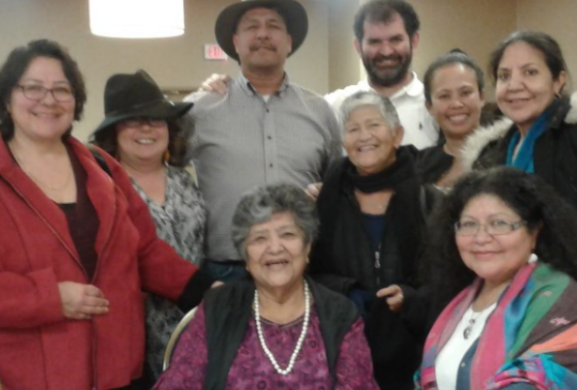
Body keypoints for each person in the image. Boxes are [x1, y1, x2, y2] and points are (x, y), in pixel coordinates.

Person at [0, 39, 217, 390]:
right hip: (33, 376)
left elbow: (145, 251)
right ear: (8, 99)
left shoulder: (102, 168)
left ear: (75, 100)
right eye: (32, 88)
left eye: (61, 89)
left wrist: (208, 290)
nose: (48, 99)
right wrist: (49, 298)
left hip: (119, 371)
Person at [153, 183, 379, 390]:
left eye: (287, 235)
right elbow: (179, 383)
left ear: (308, 247)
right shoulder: (218, 307)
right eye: (259, 238)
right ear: (246, 257)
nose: (274, 248)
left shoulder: (340, 314)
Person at [185, 0, 341, 282]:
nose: (263, 34)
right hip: (225, 270)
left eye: (273, 26)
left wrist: (324, 190)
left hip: (304, 267)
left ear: (289, 42)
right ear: (235, 42)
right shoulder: (199, 110)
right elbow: (165, 173)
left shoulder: (319, 110)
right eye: (251, 27)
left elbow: (338, 182)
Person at [309, 90, 438, 390]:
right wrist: (347, 293)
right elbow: (310, 270)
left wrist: (413, 299)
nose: (363, 136)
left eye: (374, 125)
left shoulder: (428, 197)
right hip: (344, 342)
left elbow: (448, 276)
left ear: (397, 134)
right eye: (353, 129)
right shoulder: (328, 197)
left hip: (414, 348)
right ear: (344, 143)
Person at [90, 70, 207, 386]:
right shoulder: (100, 187)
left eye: (156, 119)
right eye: (133, 120)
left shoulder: (186, 180)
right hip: (132, 329)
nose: (146, 127)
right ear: (114, 131)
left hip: (195, 322)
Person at [416, 167, 577, 390]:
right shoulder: (457, 301)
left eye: (499, 223)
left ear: (535, 232)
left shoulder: (562, 300)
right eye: (469, 224)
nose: (481, 238)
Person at [201, 0, 438, 150]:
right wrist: (223, 85)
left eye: (395, 40)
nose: (386, 51)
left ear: (413, 41)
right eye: (375, 42)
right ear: (358, 46)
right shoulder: (331, 107)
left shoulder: (437, 106)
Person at [462, 30, 577, 210]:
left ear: (558, 81)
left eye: (530, 72)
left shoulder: (572, 139)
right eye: (504, 76)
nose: (514, 86)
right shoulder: (487, 153)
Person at [416, 51, 485, 188]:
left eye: (465, 93)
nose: (456, 104)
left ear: (482, 97)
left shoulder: (506, 153)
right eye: (444, 96)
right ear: (429, 106)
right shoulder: (418, 165)